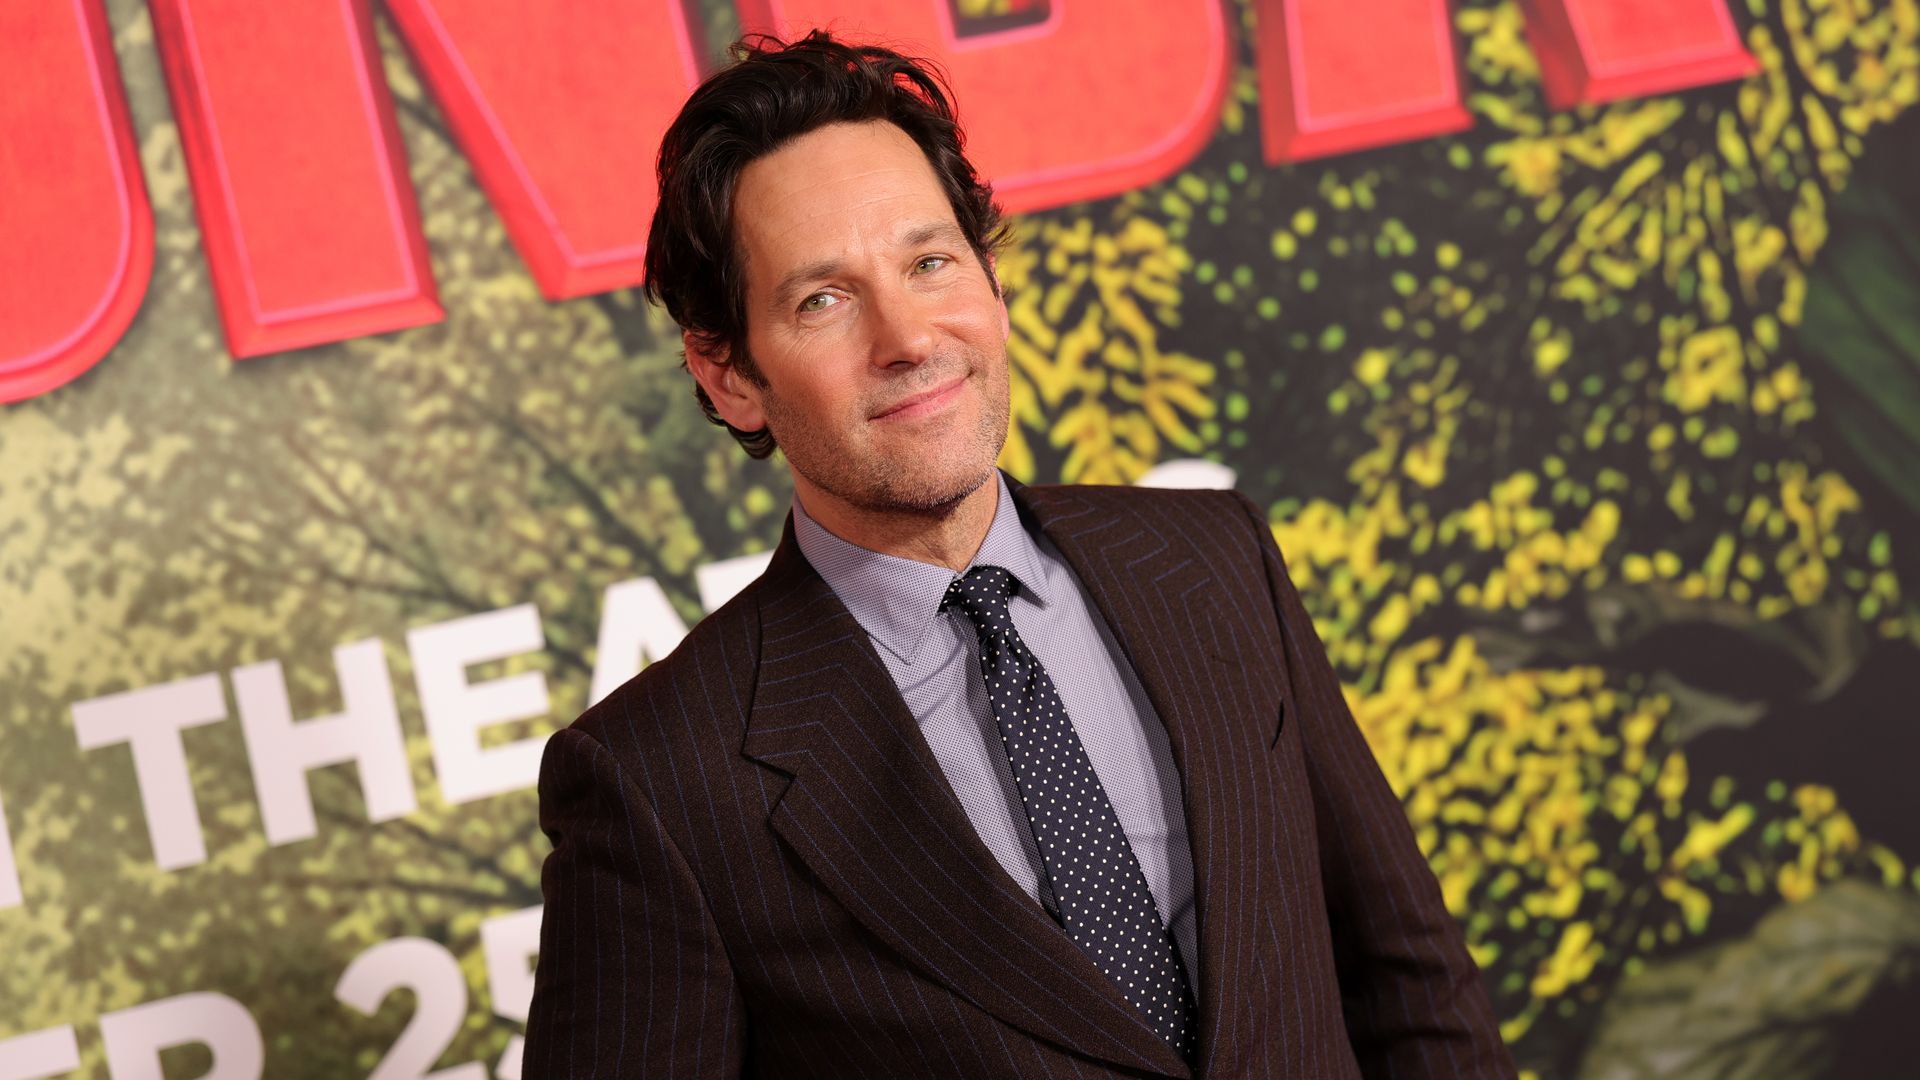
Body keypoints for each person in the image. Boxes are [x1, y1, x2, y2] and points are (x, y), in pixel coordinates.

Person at [523, 30, 1514, 1079]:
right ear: (728, 375)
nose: (906, 337)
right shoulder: (660, 782)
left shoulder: (1215, 560)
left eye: (929, 261)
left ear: (990, 282)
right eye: (823, 300)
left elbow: (1409, 978)